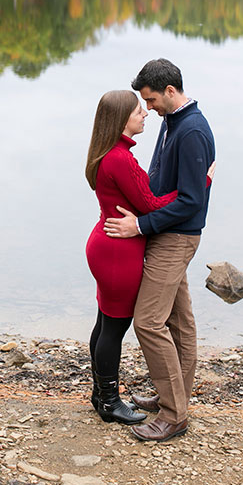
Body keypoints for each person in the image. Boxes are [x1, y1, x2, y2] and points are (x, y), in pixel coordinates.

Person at [84, 90, 213, 425]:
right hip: (118, 251)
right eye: (138, 109)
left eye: (146, 105)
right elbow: (151, 204)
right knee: (114, 327)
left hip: (107, 243)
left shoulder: (110, 153)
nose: (145, 113)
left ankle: (101, 395)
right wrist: (200, 184)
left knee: (105, 323)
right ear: (121, 119)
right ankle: (110, 401)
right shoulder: (121, 159)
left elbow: (145, 195)